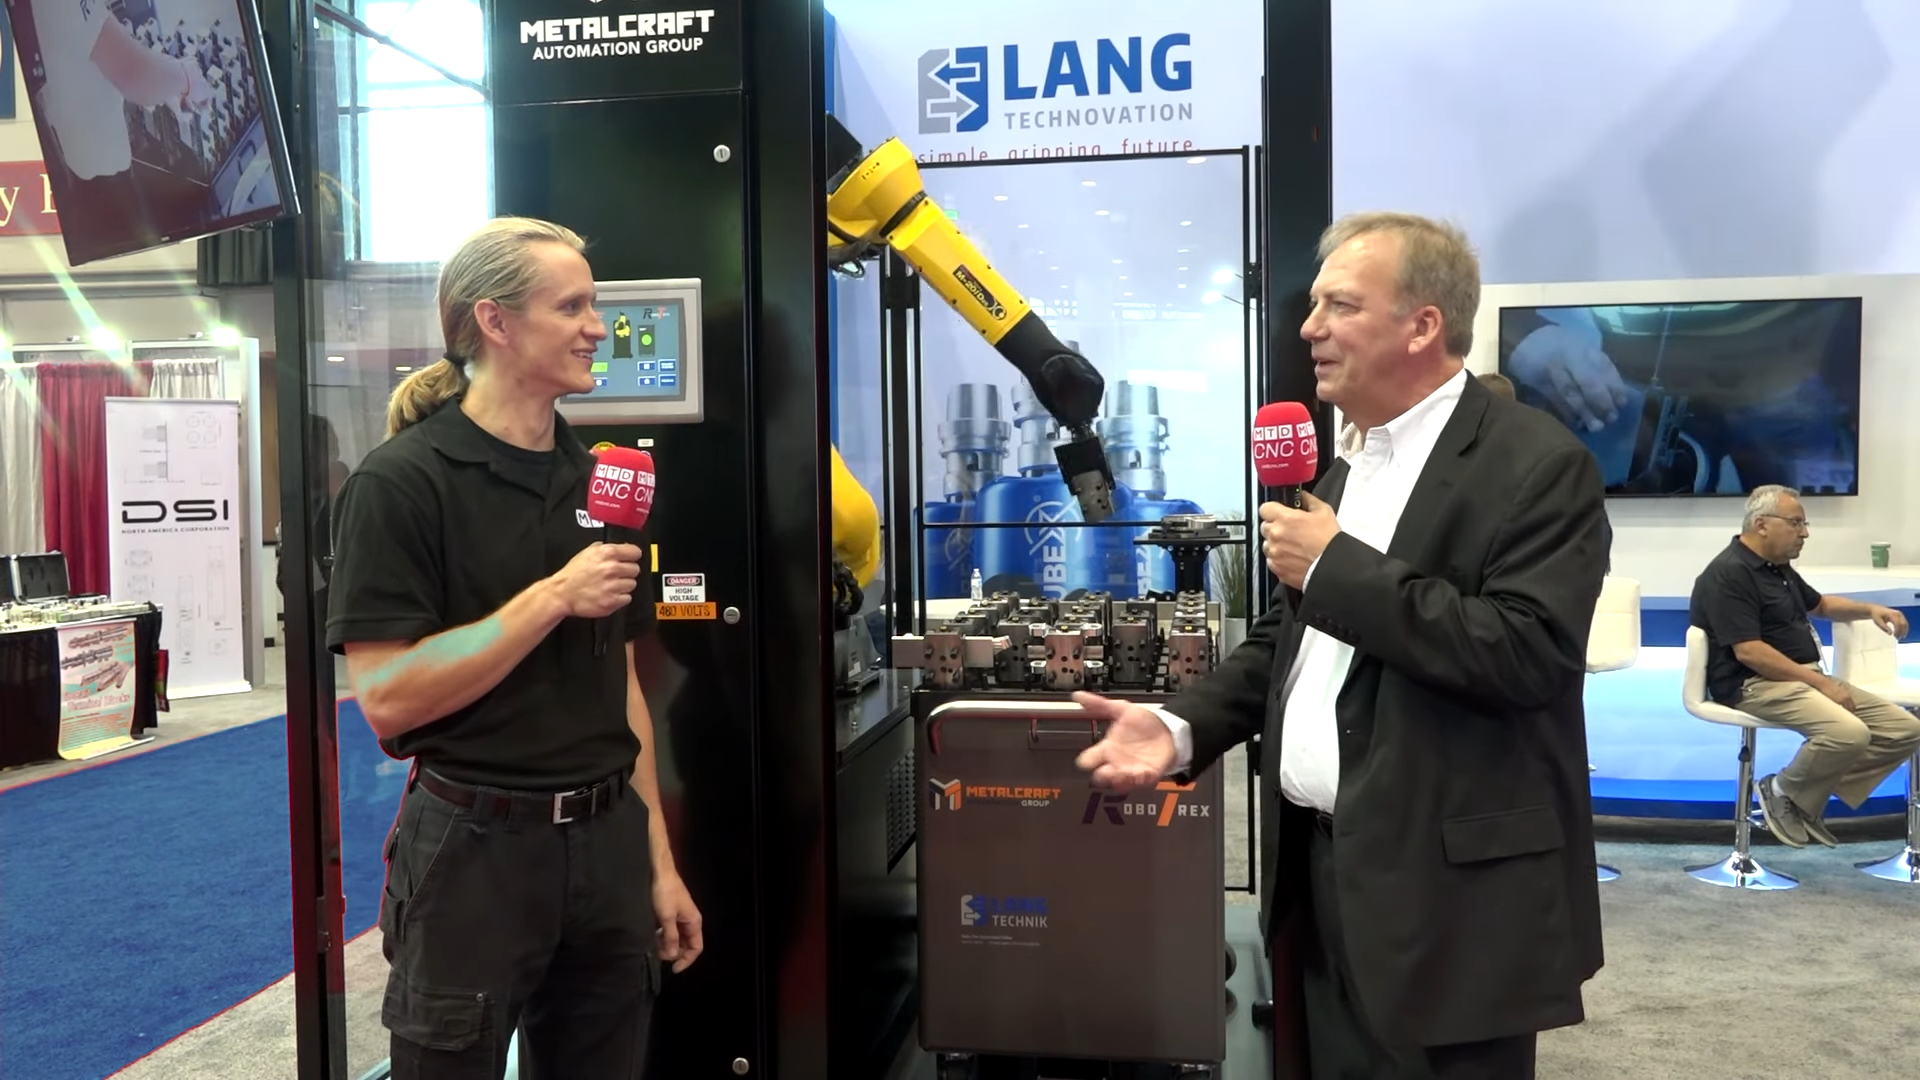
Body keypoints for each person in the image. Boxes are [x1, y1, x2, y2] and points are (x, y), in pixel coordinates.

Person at [1073, 212, 1609, 1078]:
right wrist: (1180, 728)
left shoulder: (1537, 464)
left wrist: (1335, 567)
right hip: (1316, 881)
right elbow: (1290, 640)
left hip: (1448, 903)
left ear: (1423, 324)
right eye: (1314, 305)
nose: (1310, 328)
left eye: (1340, 306)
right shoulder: (1345, 465)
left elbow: (1526, 652)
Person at [326, 216, 703, 1078]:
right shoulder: (401, 484)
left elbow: (622, 691)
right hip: (472, 855)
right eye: (571, 307)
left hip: (607, 847)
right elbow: (388, 699)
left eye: (594, 306)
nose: (598, 328)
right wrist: (551, 600)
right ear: (494, 322)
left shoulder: (599, 483)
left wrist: (658, 864)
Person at [1688, 484, 1918, 848]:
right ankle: (1780, 790)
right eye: (1796, 523)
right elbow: (1750, 652)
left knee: (1904, 729)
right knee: (1848, 733)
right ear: (1762, 524)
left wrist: (1871, 609)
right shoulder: (1728, 574)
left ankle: (1801, 799)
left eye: (1804, 524)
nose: (1805, 533)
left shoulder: (1776, 568)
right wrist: (1823, 684)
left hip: (1803, 678)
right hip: (1754, 683)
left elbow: (1820, 605)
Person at [27, 0, 214, 255]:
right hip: (104, 198)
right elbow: (136, 75)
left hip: (101, 186)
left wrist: (164, 83)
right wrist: (186, 77)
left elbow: (108, 63)